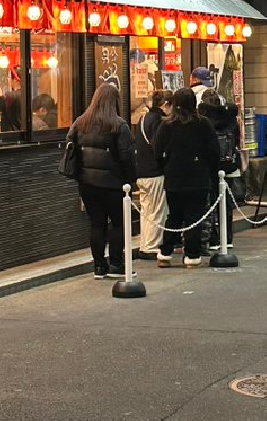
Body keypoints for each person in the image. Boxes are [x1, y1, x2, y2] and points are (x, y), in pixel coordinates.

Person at [67, 82, 136, 278]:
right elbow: (127, 156)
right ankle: (116, 264)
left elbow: (70, 144)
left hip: (87, 183)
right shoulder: (119, 125)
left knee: (97, 224)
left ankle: (99, 267)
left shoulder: (81, 122)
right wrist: (131, 179)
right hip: (113, 184)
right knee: (118, 223)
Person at [153, 87, 221, 267]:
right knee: (194, 218)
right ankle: (192, 256)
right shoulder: (203, 124)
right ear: (194, 103)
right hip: (198, 178)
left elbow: (157, 152)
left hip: (174, 178)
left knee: (174, 216)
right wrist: (210, 171)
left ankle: (165, 254)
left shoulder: (166, 125)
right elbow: (214, 151)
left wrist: (166, 167)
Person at [198, 87, 242, 250]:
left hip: (210, 167)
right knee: (226, 203)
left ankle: (213, 239)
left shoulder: (203, 121)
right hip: (228, 166)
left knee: (210, 203)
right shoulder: (230, 119)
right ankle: (228, 238)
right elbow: (237, 141)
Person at [134, 89, 169, 254]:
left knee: (146, 211)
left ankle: (145, 244)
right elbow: (159, 148)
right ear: (166, 104)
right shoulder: (158, 121)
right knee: (156, 211)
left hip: (141, 171)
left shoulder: (143, 118)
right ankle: (152, 247)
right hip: (155, 172)